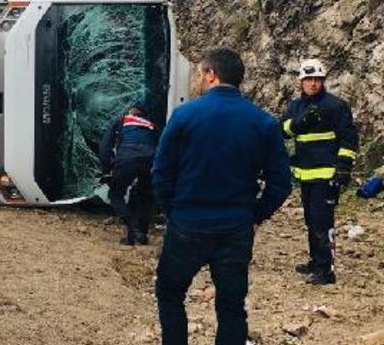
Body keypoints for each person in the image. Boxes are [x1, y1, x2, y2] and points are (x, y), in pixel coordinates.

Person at [152, 48, 291, 345]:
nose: (200, 79)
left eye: (201, 73)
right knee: (231, 308)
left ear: (211, 74)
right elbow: (281, 184)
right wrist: (254, 216)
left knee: (170, 293)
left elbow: (161, 172)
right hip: (235, 229)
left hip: (187, 224)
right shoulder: (263, 122)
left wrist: (173, 212)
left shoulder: (184, 116)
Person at [282, 59, 359, 286]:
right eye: (308, 80)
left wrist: (343, 169)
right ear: (301, 82)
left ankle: (326, 271)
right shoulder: (296, 107)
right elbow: (282, 130)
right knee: (310, 220)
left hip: (327, 175)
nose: (313, 84)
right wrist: (299, 123)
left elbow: (349, 139)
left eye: (317, 80)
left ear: (323, 81)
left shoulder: (336, 106)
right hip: (305, 173)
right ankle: (316, 262)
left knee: (322, 223)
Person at [98, 101, 158, 245]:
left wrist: (106, 170)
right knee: (146, 197)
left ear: (131, 111)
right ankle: (142, 234)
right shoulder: (151, 125)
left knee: (115, 195)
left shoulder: (121, 121)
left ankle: (132, 227)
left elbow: (105, 147)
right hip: (151, 160)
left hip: (126, 158)